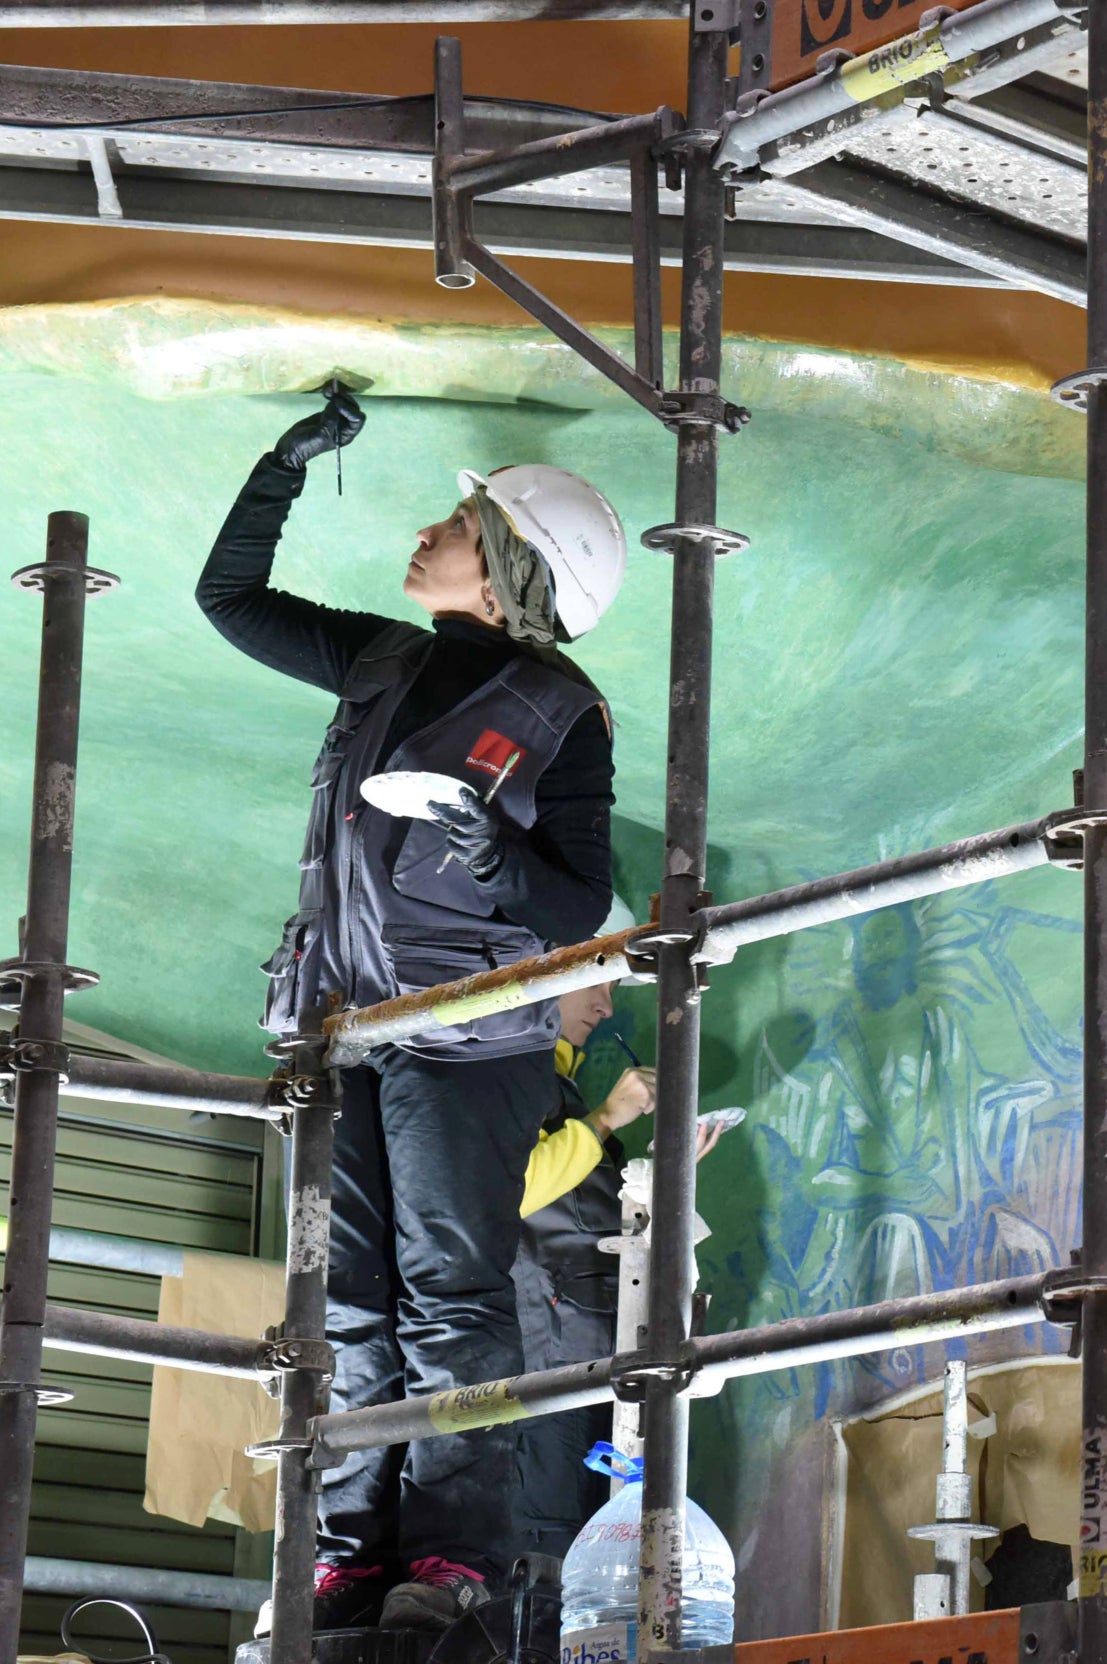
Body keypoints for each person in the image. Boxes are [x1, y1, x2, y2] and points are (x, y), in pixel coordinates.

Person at [203, 385, 626, 1632]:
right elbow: (230, 600)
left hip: (470, 1035)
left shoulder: (562, 710)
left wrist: (496, 857)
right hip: (342, 1025)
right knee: (350, 1297)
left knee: (453, 1295)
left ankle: (450, 1552)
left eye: (456, 521)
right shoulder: (383, 659)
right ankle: (351, 1546)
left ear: (501, 573)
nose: (429, 535)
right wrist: (282, 463)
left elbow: (575, 899)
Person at [511, 941, 731, 1559]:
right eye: (597, 988)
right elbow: (516, 1190)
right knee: (550, 1546)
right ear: (548, 980)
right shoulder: (515, 1078)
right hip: (548, 1360)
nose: (606, 1009)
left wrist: (666, 1172)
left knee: (595, 1540)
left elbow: (591, 1217)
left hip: (594, 1356)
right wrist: (607, 1117)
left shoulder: (559, 1088)